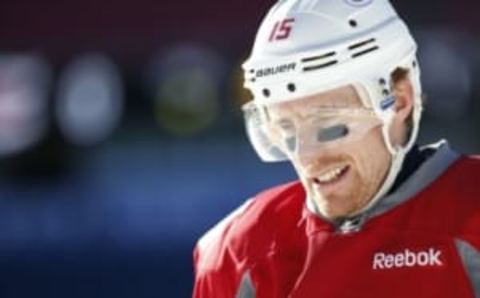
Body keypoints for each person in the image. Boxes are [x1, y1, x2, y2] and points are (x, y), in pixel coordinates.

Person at [192, 0, 480, 297]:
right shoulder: (242, 249)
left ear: (399, 100)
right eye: (287, 130)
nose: (306, 158)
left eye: (329, 127)